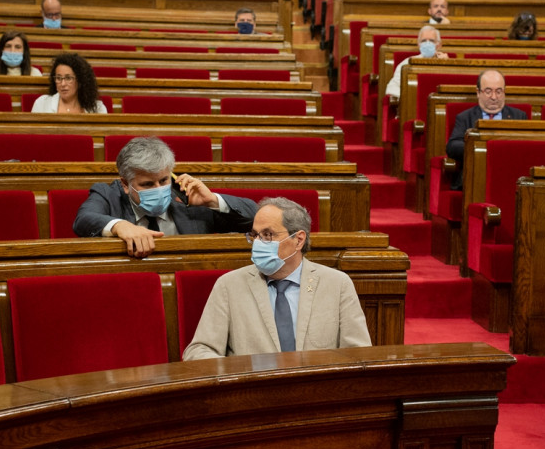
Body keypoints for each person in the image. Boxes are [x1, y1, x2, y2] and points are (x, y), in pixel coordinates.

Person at [182, 197, 371, 360]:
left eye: (267, 235)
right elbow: (199, 350)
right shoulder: (229, 285)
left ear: (298, 240)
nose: (257, 243)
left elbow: (358, 352)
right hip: (252, 395)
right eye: (255, 235)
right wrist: (238, 376)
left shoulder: (337, 284)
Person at [73, 137, 257, 258]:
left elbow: (256, 219)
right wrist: (119, 225)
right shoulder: (108, 194)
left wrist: (213, 201)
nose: (159, 189)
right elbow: (83, 220)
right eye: (147, 184)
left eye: (163, 180)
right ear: (125, 184)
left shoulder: (187, 195)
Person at [446, 69, 529, 190]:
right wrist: (484, 148)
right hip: (475, 176)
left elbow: (526, 148)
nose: (494, 97)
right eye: (488, 91)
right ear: (478, 92)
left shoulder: (519, 116)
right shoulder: (465, 117)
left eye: (499, 91)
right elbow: (452, 147)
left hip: (509, 176)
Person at [384, 25, 449, 101]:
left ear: (439, 45)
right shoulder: (407, 63)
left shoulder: (446, 62)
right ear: (419, 45)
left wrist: (446, 63)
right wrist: (409, 99)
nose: (427, 44)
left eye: (431, 41)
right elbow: (392, 87)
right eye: (423, 41)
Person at [30, 53, 107, 114]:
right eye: (58, 78)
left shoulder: (98, 108)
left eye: (68, 78)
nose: (62, 84)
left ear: (80, 81)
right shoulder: (42, 103)